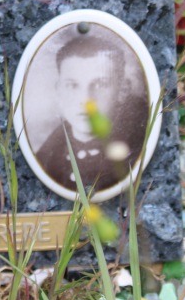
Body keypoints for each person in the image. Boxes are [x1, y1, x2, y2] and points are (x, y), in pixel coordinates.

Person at [30, 28, 150, 194]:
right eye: (72, 85)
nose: (86, 101)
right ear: (58, 91)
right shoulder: (46, 159)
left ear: (123, 90)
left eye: (100, 84)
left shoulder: (138, 151)